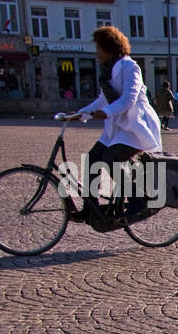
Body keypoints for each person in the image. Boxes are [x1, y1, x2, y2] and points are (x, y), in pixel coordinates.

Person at [64, 26, 163, 218]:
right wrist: (82, 113)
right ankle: (90, 209)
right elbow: (103, 99)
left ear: (108, 48)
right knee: (92, 159)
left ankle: (137, 200)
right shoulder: (107, 71)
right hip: (118, 127)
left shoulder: (130, 67)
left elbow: (129, 98)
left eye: (99, 48)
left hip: (135, 126)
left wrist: (106, 112)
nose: (97, 53)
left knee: (111, 159)